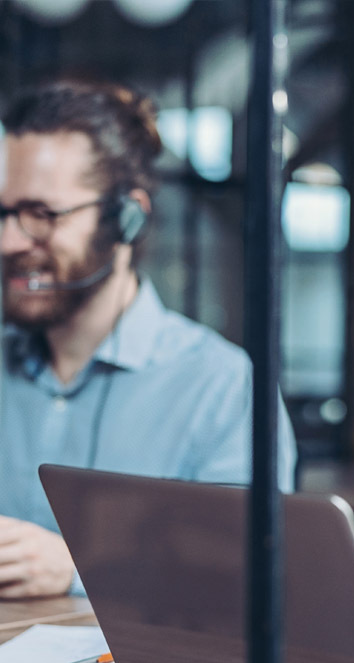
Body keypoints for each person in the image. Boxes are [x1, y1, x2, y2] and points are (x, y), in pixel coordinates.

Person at [0, 79, 297, 599]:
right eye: (4, 214)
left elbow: (248, 579)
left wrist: (79, 570)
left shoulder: (221, 387)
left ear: (127, 218)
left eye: (41, 215)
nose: (10, 241)